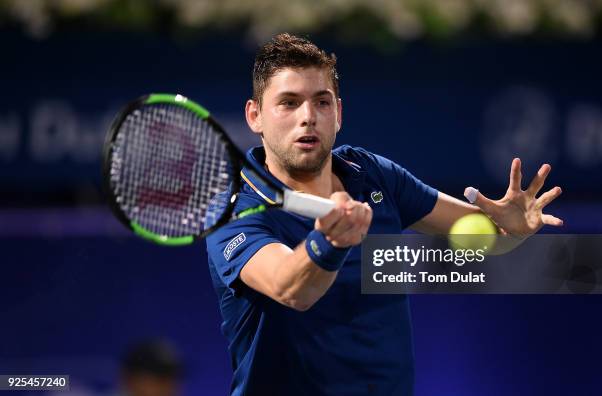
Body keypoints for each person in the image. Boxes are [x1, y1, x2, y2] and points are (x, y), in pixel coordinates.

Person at [206, 33, 563, 395]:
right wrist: (329, 242)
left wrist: (510, 230)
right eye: (289, 102)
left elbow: (482, 238)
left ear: (339, 113)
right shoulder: (234, 212)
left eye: (322, 102)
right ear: (255, 116)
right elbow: (291, 289)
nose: (308, 117)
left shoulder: (373, 174)